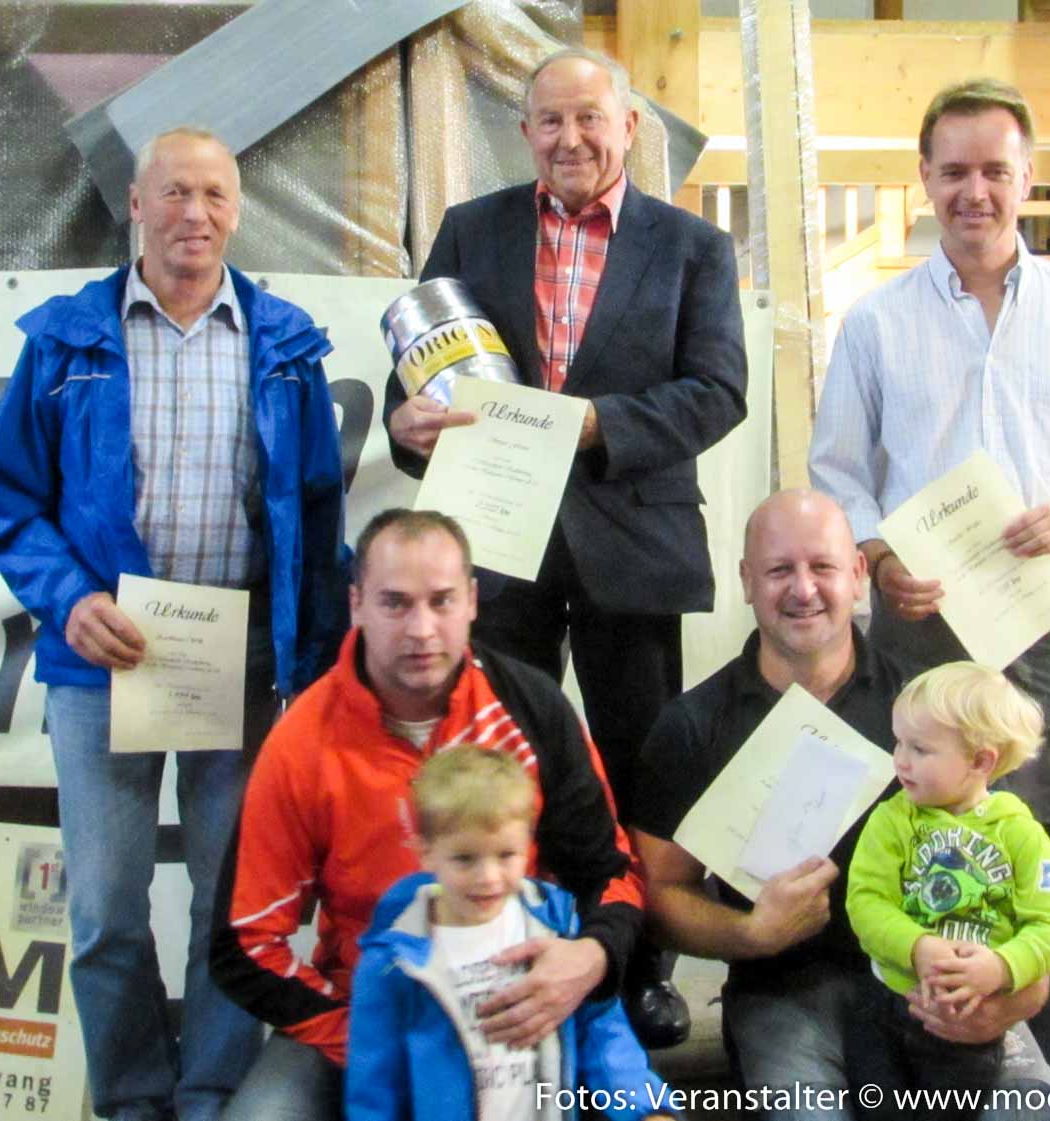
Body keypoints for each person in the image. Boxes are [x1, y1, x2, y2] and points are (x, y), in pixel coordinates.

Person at [808, 77, 1050, 1112]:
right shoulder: (874, 323)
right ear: (924, 179)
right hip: (924, 636)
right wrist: (880, 558)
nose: (975, 191)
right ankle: (931, 1094)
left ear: (1027, 178)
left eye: (995, 171)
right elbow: (838, 473)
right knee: (914, 879)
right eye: (955, 171)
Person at [0, 127, 348, 1121]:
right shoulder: (66, 342)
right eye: (175, 191)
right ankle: (134, 1098)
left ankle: (213, 1090)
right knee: (102, 909)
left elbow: (317, 516)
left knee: (233, 903)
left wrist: (315, 673)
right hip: (103, 662)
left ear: (236, 210)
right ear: (135, 205)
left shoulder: (284, 346)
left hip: (239, 661)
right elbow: (6, 502)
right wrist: (70, 599)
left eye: (214, 194)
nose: (195, 213)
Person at [384, 46, 749, 1045]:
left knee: (641, 763)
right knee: (501, 757)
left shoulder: (691, 247)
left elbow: (718, 391)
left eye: (590, 118)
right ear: (524, 132)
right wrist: (405, 428)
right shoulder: (472, 230)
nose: (570, 137)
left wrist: (595, 425)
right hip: (498, 539)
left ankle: (636, 973)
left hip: (634, 541)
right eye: (549, 120)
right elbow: (418, 377)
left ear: (629, 126)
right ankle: (508, 945)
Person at [632, 488, 1050, 1121]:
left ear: (859, 575)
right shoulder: (691, 726)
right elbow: (659, 894)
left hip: (941, 981)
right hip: (786, 990)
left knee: (1027, 1113)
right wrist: (751, 934)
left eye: (823, 567)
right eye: (779, 570)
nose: (803, 589)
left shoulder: (932, 708)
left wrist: (1017, 994)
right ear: (746, 581)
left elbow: (1018, 871)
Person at [211, 508, 644, 1121]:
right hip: (366, 1009)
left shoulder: (533, 708)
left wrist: (591, 959)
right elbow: (242, 942)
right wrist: (377, 1034)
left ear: (471, 601)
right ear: (357, 604)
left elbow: (610, 872)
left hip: (522, 1002)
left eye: (441, 601)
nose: (421, 629)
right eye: (395, 603)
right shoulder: (302, 742)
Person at [346, 745, 672, 1121]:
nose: (488, 877)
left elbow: (602, 1033)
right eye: (465, 858)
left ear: (528, 844)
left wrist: (646, 1109)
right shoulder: (392, 964)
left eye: (506, 855)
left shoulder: (556, 928)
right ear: (425, 851)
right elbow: (374, 1092)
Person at [845, 663, 1050, 1121]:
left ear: (980, 761)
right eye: (898, 742)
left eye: (920, 749)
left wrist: (1001, 967)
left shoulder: (1019, 832)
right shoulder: (891, 820)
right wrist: (917, 946)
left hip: (972, 1022)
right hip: (887, 1007)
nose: (901, 760)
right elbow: (866, 901)